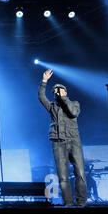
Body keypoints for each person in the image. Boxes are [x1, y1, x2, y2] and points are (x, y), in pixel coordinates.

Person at [38, 69, 87, 206]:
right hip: (58, 142)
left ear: (65, 92)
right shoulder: (52, 107)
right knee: (63, 176)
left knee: (80, 173)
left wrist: (64, 98)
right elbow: (41, 97)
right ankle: (68, 203)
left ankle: (81, 202)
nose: (57, 92)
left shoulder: (75, 103)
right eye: (55, 91)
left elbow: (72, 112)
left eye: (60, 90)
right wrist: (44, 81)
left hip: (74, 140)